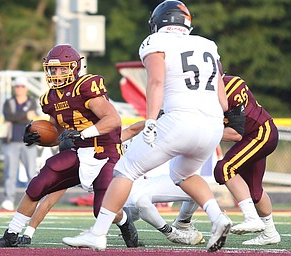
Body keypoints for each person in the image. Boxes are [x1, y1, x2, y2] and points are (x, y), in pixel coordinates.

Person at [62, 1, 232, 252]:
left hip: (179, 120)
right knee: (183, 174)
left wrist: (151, 120)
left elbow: (156, 81)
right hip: (213, 124)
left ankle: (98, 234)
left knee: (125, 171)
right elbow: (224, 102)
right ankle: (218, 218)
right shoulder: (208, 45)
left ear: (159, 22)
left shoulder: (156, 42)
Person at [0, 44, 137, 248]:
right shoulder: (50, 98)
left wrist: (84, 133)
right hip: (78, 149)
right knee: (39, 183)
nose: (57, 73)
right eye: (53, 69)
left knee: (102, 208)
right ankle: (12, 233)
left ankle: (125, 223)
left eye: (63, 68)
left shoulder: (85, 86)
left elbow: (113, 120)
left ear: (74, 68)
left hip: (106, 151)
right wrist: (37, 136)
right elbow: (57, 134)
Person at [16, 120, 204, 246]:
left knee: (192, 185)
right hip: (121, 203)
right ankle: (171, 233)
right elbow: (47, 202)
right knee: (141, 202)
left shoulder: (103, 146)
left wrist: (154, 120)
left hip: (143, 183)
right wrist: (28, 232)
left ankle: (184, 223)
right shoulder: (72, 167)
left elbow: (130, 130)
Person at [214, 74, 281, 245]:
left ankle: (251, 217)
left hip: (261, 133)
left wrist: (202, 132)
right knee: (254, 191)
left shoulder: (231, 87)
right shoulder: (207, 93)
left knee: (225, 169)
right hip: (253, 135)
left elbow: (235, 133)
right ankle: (270, 233)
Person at [1, 76, 39, 211]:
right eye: (18, 86)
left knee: (31, 173)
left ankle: (33, 199)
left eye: (22, 86)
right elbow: (9, 116)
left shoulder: (32, 101)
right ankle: (8, 199)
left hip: (28, 142)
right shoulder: (9, 102)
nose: (20, 89)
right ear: (14, 88)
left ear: (26, 88)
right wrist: (24, 116)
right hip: (12, 141)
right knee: (10, 173)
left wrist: (20, 117)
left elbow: (33, 118)